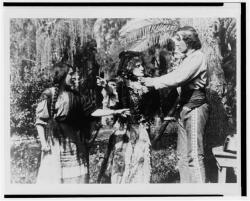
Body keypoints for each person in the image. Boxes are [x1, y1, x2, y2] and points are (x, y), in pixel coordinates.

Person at [141, 26, 209, 183]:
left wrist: (153, 81)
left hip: (195, 108)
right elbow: (177, 81)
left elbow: (178, 78)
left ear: (189, 41)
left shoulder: (197, 57)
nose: (176, 44)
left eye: (179, 40)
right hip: (185, 109)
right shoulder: (187, 59)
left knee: (194, 157)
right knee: (182, 156)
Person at [92, 51, 160, 183]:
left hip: (140, 128)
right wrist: (106, 86)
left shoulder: (146, 83)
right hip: (124, 129)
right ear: (129, 66)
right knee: (121, 159)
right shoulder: (121, 83)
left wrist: (147, 117)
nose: (142, 68)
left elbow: (154, 104)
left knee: (139, 159)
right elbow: (113, 94)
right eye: (138, 65)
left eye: (142, 65)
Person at [35, 62, 90, 183]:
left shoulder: (74, 95)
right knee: (55, 174)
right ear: (62, 75)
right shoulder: (49, 94)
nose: (74, 76)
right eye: (71, 74)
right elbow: (40, 121)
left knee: (75, 177)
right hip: (55, 142)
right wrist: (44, 144)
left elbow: (88, 112)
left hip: (72, 142)